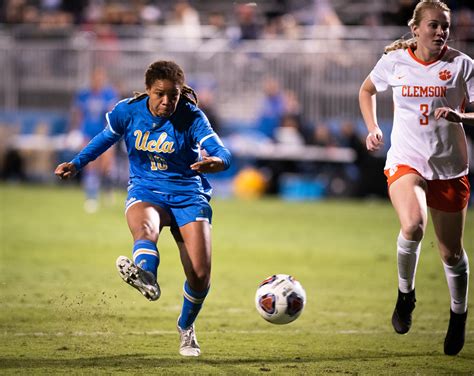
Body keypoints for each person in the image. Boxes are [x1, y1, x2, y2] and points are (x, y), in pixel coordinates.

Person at [55, 60, 232, 357]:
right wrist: (77, 163)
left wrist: (219, 162)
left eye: (173, 96)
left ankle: (186, 328)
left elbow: (221, 151)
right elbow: (104, 139)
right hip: (146, 189)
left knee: (200, 275)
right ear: (148, 89)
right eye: (160, 94)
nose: (166, 101)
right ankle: (146, 276)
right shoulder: (128, 110)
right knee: (145, 228)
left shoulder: (192, 116)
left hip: (188, 195)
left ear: (180, 94)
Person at [359, 0, 473, 356]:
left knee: (451, 253)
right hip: (406, 160)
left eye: (445, 26)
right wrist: (374, 127)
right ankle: (405, 294)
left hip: (450, 168)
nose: (440, 32)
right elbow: (366, 90)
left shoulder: (462, 65)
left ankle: (458, 315)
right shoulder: (395, 61)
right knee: (412, 226)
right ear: (416, 29)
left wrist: (460, 116)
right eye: (434, 25)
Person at [69, 66, 119, 212]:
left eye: (101, 78)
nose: (98, 80)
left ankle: (108, 188)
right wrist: (77, 131)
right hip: (87, 133)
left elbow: (111, 114)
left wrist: (110, 135)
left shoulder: (109, 94)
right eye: (96, 78)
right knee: (91, 164)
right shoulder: (83, 94)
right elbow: (78, 114)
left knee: (107, 165)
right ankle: (91, 197)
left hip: (104, 134)